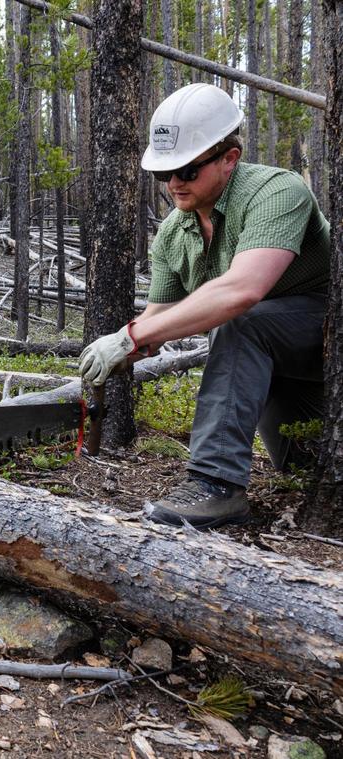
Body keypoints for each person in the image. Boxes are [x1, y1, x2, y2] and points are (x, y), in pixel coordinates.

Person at [79, 82, 329, 530]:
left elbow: (242, 291)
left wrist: (135, 336)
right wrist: (122, 342)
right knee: (308, 472)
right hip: (281, 361)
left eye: (188, 170)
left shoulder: (276, 191)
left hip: (326, 330)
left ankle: (215, 485)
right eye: (164, 173)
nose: (174, 183)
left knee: (242, 323)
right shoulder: (174, 234)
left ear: (229, 158)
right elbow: (157, 318)